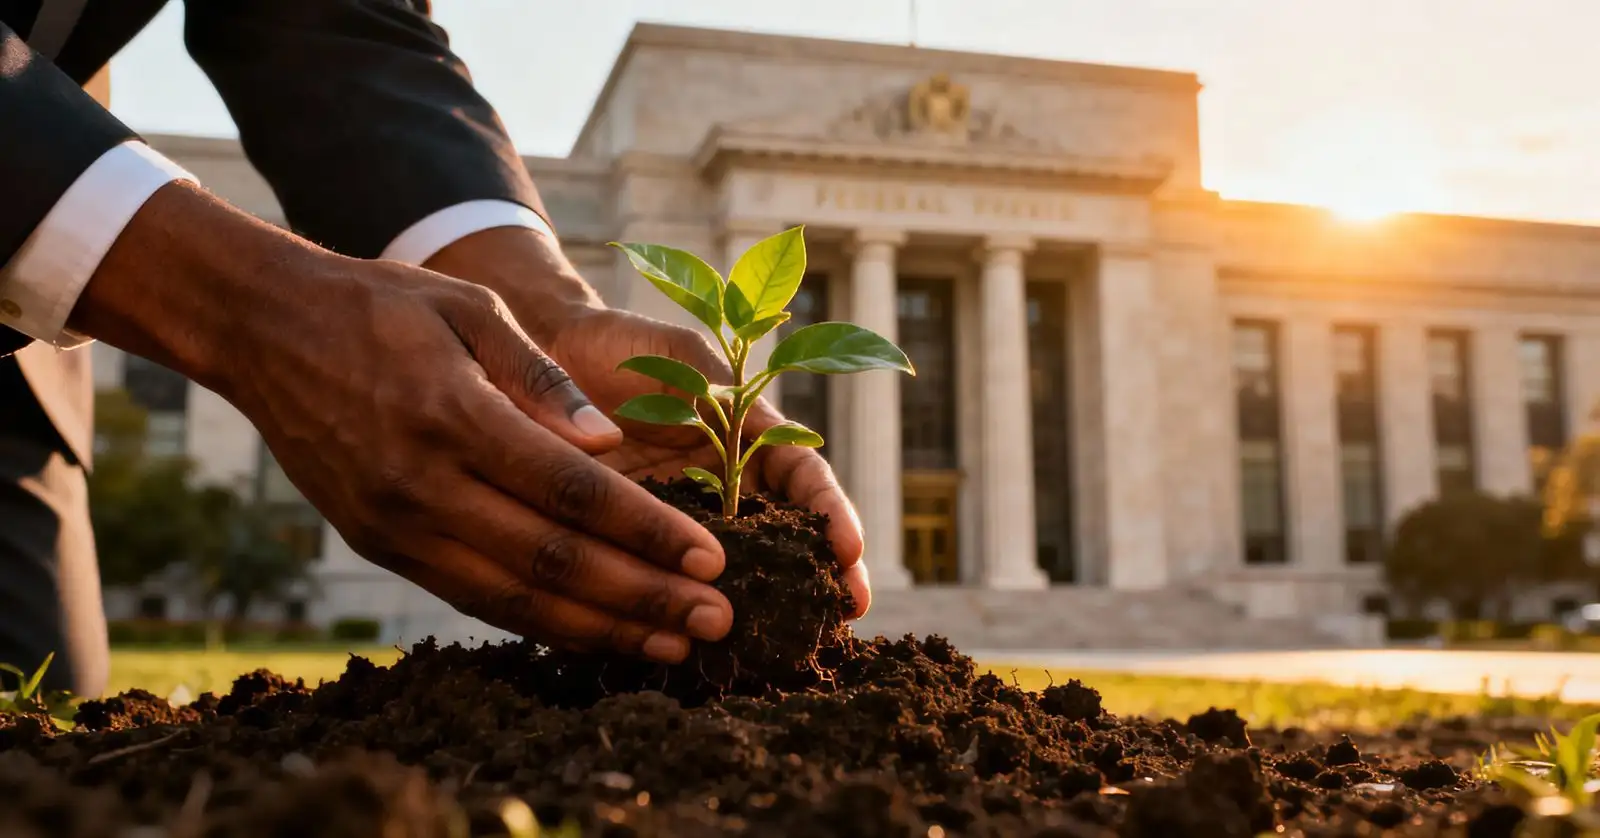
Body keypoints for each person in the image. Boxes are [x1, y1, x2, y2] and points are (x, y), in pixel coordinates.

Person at [0, 1, 871, 697]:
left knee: (41, 704)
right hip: (51, 252)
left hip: (16, 348)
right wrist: (248, 305)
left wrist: (541, 319)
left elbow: (333, 22)